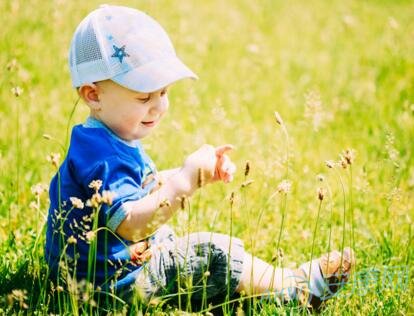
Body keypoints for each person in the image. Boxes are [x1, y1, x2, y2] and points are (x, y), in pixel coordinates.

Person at [45, 4, 355, 311]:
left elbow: (139, 190)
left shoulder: (102, 137)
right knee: (209, 251)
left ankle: (242, 288)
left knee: (169, 239)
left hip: (105, 274)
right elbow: (130, 226)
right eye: (143, 97)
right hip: (106, 290)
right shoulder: (103, 155)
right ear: (93, 95)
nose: (158, 107)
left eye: (163, 92)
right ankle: (296, 290)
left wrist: (189, 174)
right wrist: (184, 181)